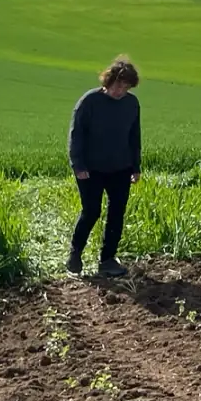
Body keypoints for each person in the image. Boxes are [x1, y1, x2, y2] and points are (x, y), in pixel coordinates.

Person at [67, 55, 142, 278]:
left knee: (117, 213)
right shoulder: (89, 102)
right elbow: (76, 135)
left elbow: (134, 136)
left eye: (126, 87)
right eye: (119, 85)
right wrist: (78, 164)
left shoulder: (131, 104)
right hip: (91, 169)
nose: (121, 91)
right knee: (91, 211)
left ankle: (107, 260)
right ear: (108, 81)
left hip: (121, 167)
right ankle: (75, 254)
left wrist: (135, 166)